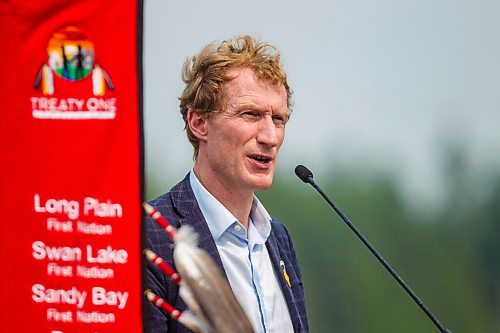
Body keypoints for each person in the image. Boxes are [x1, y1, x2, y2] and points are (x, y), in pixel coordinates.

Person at [145, 35, 309, 333]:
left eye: (279, 119)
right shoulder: (150, 235)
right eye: (251, 114)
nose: (270, 137)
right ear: (199, 123)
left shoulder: (278, 238)